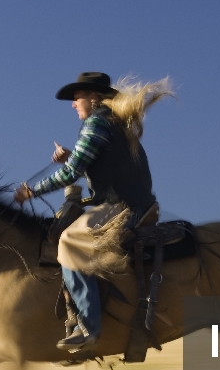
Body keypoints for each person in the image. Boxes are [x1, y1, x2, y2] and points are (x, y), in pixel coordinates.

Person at [13, 71, 171, 351]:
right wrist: (71, 157)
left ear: (93, 97)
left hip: (119, 207)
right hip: (135, 203)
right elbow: (91, 162)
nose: (74, 104)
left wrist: (31, 191)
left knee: (69, 242)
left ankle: (88, 326)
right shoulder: (113, 124)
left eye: (77, 98)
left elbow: (70, 175)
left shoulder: (96, 124)